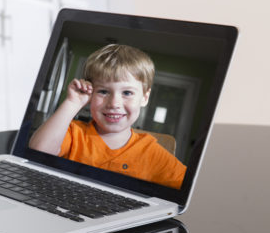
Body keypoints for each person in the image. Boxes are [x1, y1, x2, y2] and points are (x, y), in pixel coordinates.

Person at [28, 44, 187, 190]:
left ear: (144, 98)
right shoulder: (74, 133)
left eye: (127, 93)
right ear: (90, 93)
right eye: (103, 91)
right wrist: (72, 102)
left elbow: (189, 190)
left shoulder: (152, 153)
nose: (114, 103)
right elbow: (38, 151)